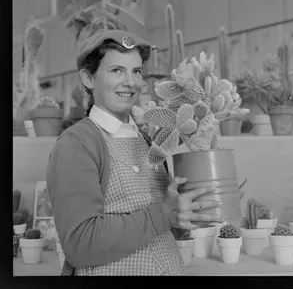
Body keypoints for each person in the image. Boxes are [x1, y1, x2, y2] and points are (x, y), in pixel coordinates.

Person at [46, 25, 223, 276]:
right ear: (88, 79)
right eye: (117, 70)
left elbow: (162, 229)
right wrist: (163, 213)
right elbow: (79, 243)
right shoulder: (76, 144)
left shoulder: (145, 139)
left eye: (136, 71)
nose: (130, 82)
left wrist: (184, 212)